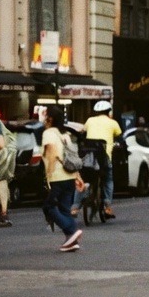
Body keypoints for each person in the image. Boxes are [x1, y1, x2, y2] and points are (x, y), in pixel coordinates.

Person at [41, 106, 84, 252]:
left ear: (50, 119)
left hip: (57, 177)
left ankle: (71, 229)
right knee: (65, 209)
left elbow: (52, 152)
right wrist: (78, 177)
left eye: (45, 115)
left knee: (48, 207)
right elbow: (71, 157)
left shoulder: (48, 133)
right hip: (70, 177)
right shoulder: (65, 134)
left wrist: (49, 173)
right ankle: (71, 240)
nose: (43, 118)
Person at [80, 100, 121, 219]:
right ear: (109, 112)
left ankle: (81, 200)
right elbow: (118, 135)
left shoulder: (89, 121)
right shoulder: (113, 123)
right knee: (108, 179)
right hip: (104, 157)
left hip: (89, 157)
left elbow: (83, 132)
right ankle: (107, 206)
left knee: (86, 177)